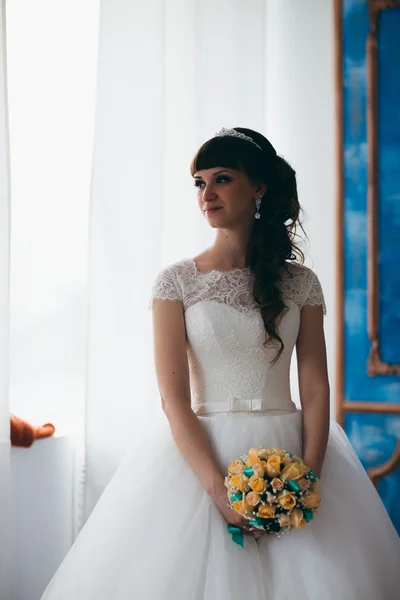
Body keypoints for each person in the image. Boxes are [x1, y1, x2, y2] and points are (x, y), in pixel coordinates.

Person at [40, 127, 400, 599]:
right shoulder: (176, 282)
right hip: (200, 460)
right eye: (199, 182)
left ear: (259, 188)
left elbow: (314, 388)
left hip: (292, 450)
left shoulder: (301, 283)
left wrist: (308, 479)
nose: (206, 194)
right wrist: (221, 492)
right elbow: (173, 400)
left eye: (222, 179)